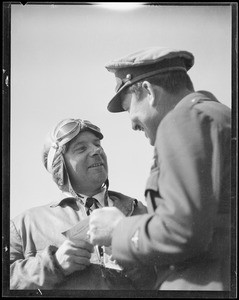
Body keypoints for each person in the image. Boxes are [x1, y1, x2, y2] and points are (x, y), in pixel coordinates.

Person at [88, 47, 231, 290]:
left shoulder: (183, 120)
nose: (132, 123)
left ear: (148, 91)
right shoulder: (218, 116)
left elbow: (183, 230)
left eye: (128, 107)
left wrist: (118, 230)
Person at [10, 118, 147, 290]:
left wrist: (130, 256)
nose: (96, 150)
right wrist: (53, 264)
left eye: (97, 144)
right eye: (81, 148)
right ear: (60, 166)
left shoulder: (139, 212)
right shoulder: (26, 224)